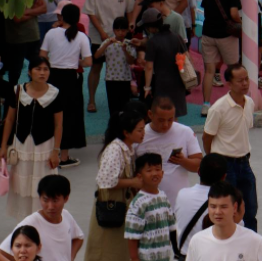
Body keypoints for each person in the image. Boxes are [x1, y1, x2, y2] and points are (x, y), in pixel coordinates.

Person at [0, 56, 63, 218]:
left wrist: (56, 151)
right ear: (29, 72)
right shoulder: (18, 91)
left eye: (45, 69)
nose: (42, 73)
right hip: (22, 145)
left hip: (45, 146)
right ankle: (25, 220)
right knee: (22, 183)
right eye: (38, 69)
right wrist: (3, 146)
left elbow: (58, 125)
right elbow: (10, 120)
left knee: (45, 183)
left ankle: (44, 218)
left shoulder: (55, 94)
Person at [83, 110, 146, 261]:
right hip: (111, 208)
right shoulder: (115, 150)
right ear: (126, 132)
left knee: (118, 250)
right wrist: (133, 182)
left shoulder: (127, 148)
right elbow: (106, 181)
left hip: (120, 208)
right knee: (105, 250)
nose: (143, 133)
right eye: (139, 130)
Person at [202, 63, 258, 232]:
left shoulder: (249, 103)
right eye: (240, 80)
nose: (245, 83)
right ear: (229, 84)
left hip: (244, 162)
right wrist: (214, 161)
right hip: (225, 165)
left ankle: (250, 242)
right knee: (227, 210)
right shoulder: (218, 109)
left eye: (246, 79)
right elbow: (207, 137)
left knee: (250, 209)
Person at [40, 4, 91, 168]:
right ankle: (64, 156)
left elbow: (42, 56)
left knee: (50, 113)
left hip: (53, 77)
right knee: (69, 116)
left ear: (62, 17)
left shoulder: (51, 33)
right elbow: (88, 62)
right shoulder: (81, 36)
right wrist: (76, 61)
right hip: (71, 79)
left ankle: (48, 152)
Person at [186, 182, 262, 261]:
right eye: (213, 206)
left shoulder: (253, 241)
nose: (217, 212)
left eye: (223, 207)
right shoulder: (197, 241)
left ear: (234, 207)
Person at [83, 0, 135, 113]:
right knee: (96, 66)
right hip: (99, 35)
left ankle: (124, 96)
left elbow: (130, 8)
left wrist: (130, 25)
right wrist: (102, 32)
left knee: (123, 65)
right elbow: (91, 13)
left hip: (120, 34)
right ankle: (91, 100)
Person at [135, 96, 202, 211]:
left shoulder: (185, 132)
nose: (166, 124)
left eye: (170, 120)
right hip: (148, 205)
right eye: (161, 120)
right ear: (150, 114)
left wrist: (183, 161)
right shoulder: (140, 135)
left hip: (179, 204)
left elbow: (199, 165)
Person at [0, 176, 84, 261]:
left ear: (66, 198)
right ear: (40, 198)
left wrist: (70, 257)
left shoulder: (66, 215)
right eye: (45, 200)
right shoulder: (30, 223)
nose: (50, 207)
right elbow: (1, 253)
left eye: (55, 201)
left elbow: (78, 237)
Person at [200, 0, 241, 117]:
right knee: (233, 70)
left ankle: (206, 104)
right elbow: (234, 14)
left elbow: (206, 11)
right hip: (226, 35)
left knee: (209, 71)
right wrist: (241, 22)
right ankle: (235, 102)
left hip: (208, 33)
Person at [173, 153, 229, 258]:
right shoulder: (226, 204)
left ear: (198, 171)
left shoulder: (182, 194)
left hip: (184, 256)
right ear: (224, 177)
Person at [124, 154, 177, 261]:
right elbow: (132, 236)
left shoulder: (163, 197)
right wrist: (134, 258)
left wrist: (177, 252)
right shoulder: (138, 203)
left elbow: (172, 227)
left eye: (157, 169)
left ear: (162, 173)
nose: (154, 173)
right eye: (149, 170)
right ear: (139, 176)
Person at [1, 0, 47, 87]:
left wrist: (26, 12)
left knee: (37, 67)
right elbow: (17, 19)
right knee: (15, 71)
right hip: (17, 38)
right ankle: (13, 96)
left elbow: (44, 8)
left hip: (33, 36)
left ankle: (35, 92)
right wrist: (34, 10)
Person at [141, 9, 188, 116]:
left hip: (161, 83)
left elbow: (149, 67)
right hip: (178, 81)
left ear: (150, 27)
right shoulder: (177, 37)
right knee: (174, 114)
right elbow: (187, 56)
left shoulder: (153, 42)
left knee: (162, 114)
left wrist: (147, 87)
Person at [94, 17, 137, 116]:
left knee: (124, 106)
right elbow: (96, 56)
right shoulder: (107, 42)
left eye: (123, 30)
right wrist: (106, 44)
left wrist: (125, 50)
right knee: (113, 106)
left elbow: (131, 61)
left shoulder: (129, 43)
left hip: (125, 78)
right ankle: (114, 123)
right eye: (118, 30)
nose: (120, 33)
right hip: (111, 79)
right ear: (113, 30)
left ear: (127, 31)